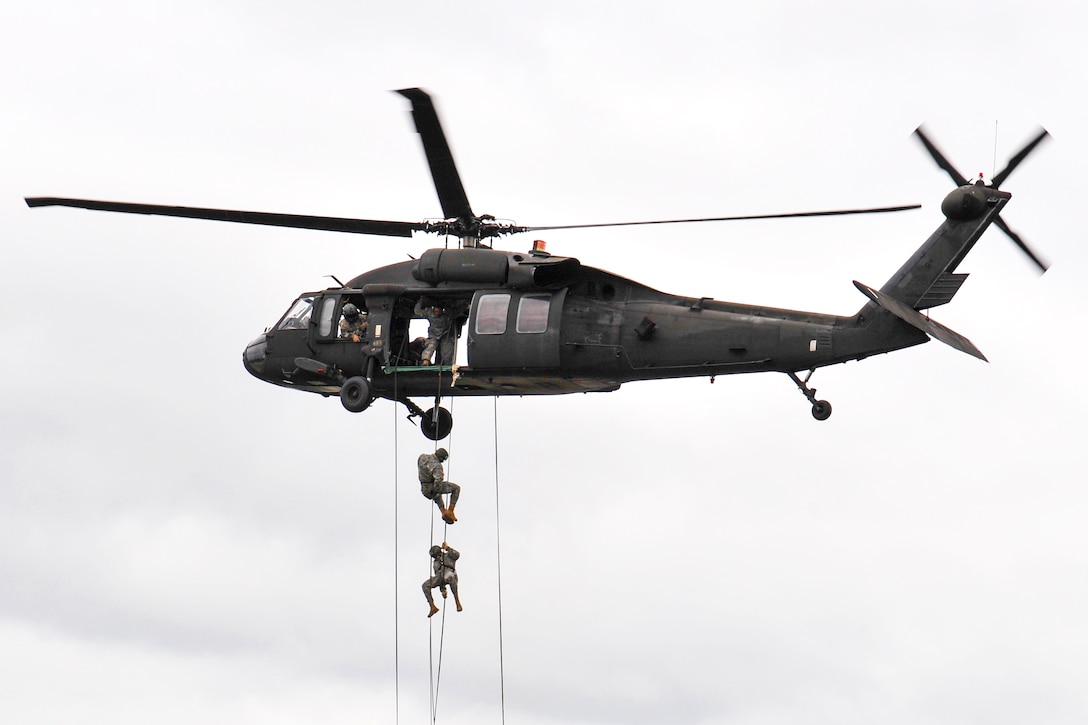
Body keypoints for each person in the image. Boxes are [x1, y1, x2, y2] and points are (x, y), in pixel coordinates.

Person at [418, 447, 459, 524]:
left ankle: (443, 512)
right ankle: (450, 511)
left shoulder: (422, 457)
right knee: (456, 488)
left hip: (424, 488)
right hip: (431, 487)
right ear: (441, 458)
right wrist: (441, 477)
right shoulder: (438, 466)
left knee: (436, 494)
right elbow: (438, 481)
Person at [423, 542, 462, 618]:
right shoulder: (435, 563)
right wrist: (443, 590)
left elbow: (457, 555)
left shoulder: (448, 555)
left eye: (438, 554)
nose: (437, 557)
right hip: (440, 577)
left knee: (449, 577)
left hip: (449, 572)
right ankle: (432, 607)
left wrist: (447, 548)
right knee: (425, 585)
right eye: (435, 556)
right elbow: (438, 575)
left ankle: (457, 602)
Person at [412, 298, 456, 365]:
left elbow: (457, 313)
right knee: (431, 346)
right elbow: (417, 311)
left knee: (447, 351)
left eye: (439, 312)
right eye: (436, 312)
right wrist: (420, 301)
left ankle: (448, 366)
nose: (437, 313)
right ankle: (425, 360)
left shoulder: (447, 314)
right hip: (433, 335)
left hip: (445, 335)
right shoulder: (429, 312)